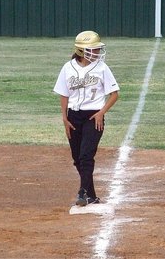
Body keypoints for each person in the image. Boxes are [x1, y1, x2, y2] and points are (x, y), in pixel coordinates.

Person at [53, 30, 119, 206]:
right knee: (77, 158)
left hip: (93, 116)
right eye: (93, 49)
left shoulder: (102, 68)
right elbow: (63, 94)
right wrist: (64, 118)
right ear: (82, 51)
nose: (97, 53)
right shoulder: (68, 67)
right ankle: (91, 195)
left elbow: (114, 94)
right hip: (73, 116)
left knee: (86, 156)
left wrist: (101, 112)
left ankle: (82, 192)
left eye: (98, 49)